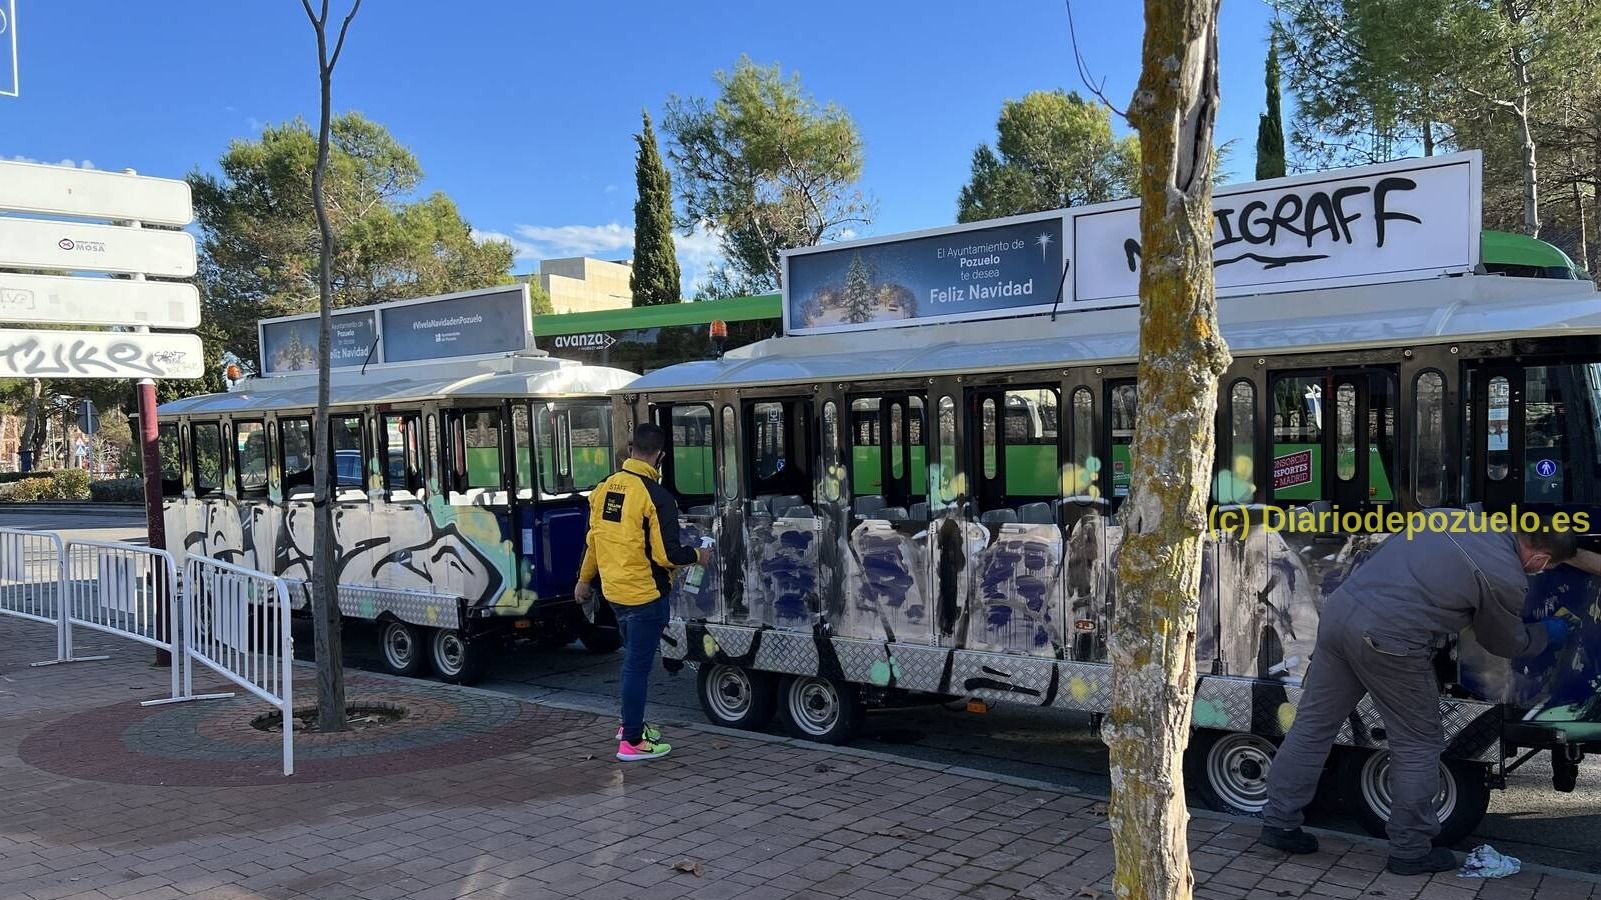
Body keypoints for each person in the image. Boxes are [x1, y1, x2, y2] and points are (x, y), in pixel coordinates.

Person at [1260, 520, 1578, 875]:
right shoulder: (1505, 576)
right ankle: (1410, 850)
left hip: (1339, 616)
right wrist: (1546, 634)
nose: (1543, 571)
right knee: (1418, 743)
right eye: (1548, 566)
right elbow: (1502, 641)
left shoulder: (1453, 518)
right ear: (1541, 559)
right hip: (1390, 639)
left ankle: (1279, 823)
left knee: (1313, 727)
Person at [575, 423, 712, 762]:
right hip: (645, 596)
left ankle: (629, 726)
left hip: (614, 592)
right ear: (660, 456)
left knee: (630, 664)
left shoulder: (604, 489)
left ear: (630, 448)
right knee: (636, 668)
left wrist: (583, 580)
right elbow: (667, 555)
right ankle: (632, 742)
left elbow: (594, 540)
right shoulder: (656, 496)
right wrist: (699, 555)